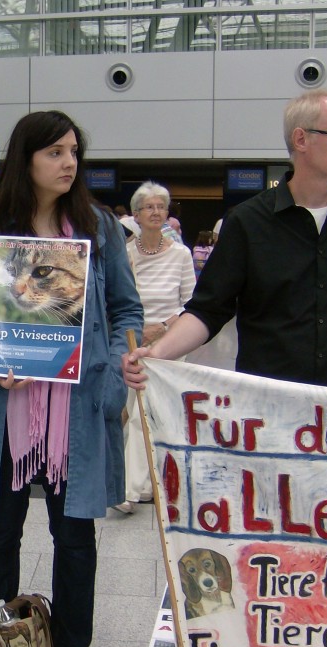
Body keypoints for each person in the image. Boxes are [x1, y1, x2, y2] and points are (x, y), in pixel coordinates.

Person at [0, 111, 143, 647]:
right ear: (25, 158)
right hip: (5, 408)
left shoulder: (100, 229)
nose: (68, 162)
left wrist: (125, 360)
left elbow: (127, 310)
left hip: (75, 412)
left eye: (74, 151)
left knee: (75, 540)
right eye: (55, 151)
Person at [124, 90, 327, 393]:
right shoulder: (248, 221)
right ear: (301, 140)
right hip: (266, 406)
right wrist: (155, 355)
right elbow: (209, 308)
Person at [115, 181, 195, 514]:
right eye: (148, 206)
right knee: (132, 411)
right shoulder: (126, 254)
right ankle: (145, 484)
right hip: (133, 340)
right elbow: (119, 299)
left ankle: (129, 490)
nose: (155, 211)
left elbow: (191, 303)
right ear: (135, 214)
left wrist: (161, 328)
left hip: (170, 342)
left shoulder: (180, 254)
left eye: (161, 206)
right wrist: (137, 330)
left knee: (142, 413)